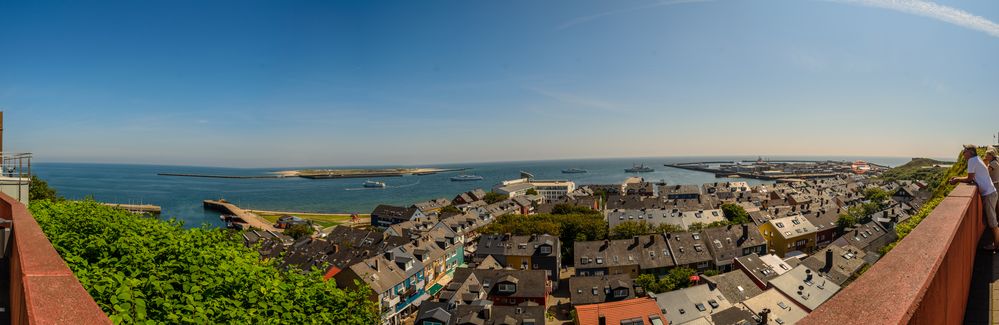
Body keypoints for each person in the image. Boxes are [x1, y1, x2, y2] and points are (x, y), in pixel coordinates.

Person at [950, 145, 999, 250]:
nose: (963, 153)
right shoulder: (977, 158)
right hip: (991, 192)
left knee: (992, 221)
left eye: (965, 151)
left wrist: (957, 179)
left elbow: (969, 178)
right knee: (991, 220)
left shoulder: (972, 160)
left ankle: (996, 246)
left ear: (971, 152)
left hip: (989, 194)